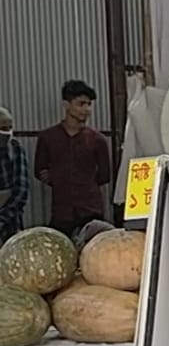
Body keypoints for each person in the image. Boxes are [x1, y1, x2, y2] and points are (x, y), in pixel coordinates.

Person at [34, 80, 112, 238]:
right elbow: (40, 169)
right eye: (81, 104)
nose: (86, 110)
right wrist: (59, 180)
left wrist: (84, 183)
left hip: (91, 210)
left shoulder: (97, 140)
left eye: (89, 104)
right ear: (66, 105)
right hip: (62, 212)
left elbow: (104, 175)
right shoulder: (48, 137)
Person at [0, 108, 30, 244]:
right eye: (2, 128)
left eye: (9, 127)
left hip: (11, 227)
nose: (6, 132)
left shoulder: (15, 148)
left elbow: (21, 190)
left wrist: (3, 218)